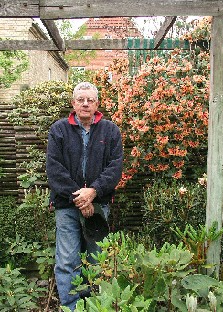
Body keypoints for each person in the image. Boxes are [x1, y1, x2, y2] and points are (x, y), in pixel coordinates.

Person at [46, 82, 123, 311]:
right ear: (73, 103)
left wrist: (94, 191)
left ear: (97, 104)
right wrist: (79, 199)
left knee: (97, 259)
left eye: (90, 100)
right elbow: (54, 169)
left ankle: (95, 305)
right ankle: (72, 307)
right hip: (66, 206)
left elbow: (115, 167)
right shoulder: (58, 130)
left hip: (98, 206)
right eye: (81, 99)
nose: (85, 104)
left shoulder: (111, 131)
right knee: (68, 260)